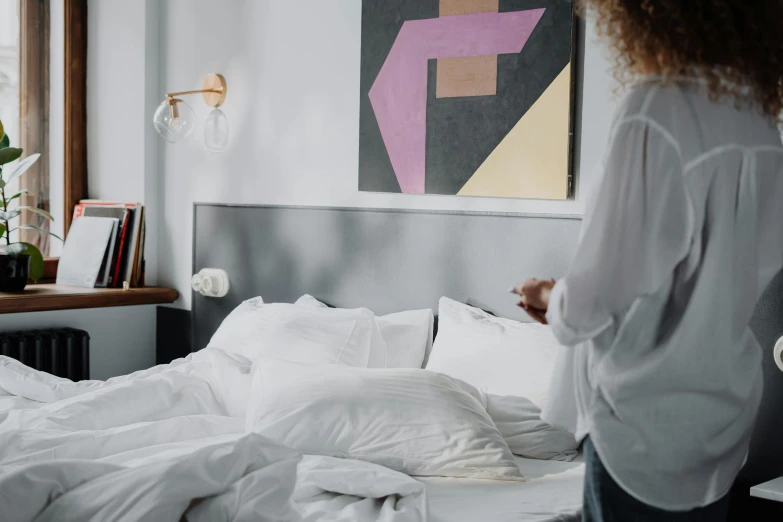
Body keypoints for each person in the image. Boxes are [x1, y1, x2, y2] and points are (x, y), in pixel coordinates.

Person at [514, 1, 783, 520]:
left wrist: (550, 297)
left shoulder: (659, 110)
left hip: (640, 429)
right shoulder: (760, 124)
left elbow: (593, 299)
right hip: (720, 426)